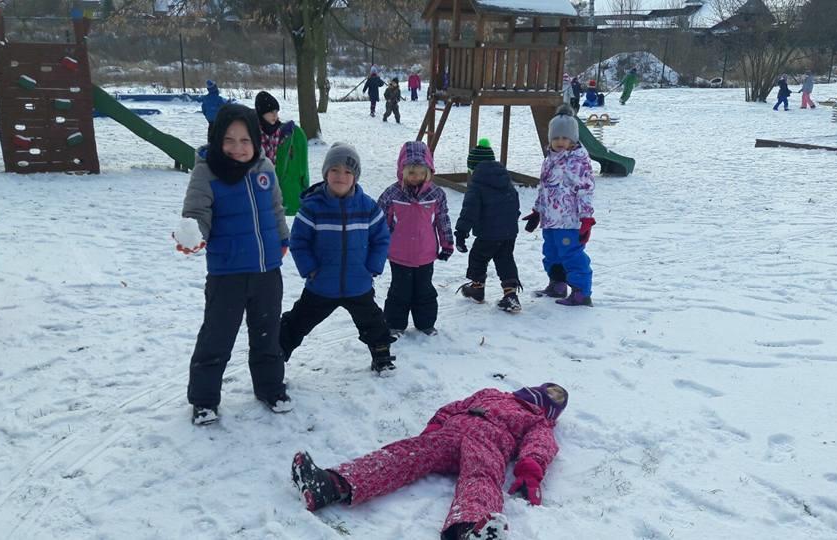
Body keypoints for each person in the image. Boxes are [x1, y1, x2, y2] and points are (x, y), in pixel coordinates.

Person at [291, 382, 569, 540]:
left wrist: (529, 472)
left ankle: (469, 528)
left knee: (481, 479)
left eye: (557, 398)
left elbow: (540, 445)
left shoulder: (538, 421)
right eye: (552, 389)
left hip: (490, 443)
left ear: (552, 411)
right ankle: (332, 485)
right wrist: (436, 426)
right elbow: (455, 407)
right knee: (405, 454)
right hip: (453, 431)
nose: (551, 395)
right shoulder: (491, 393)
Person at [179, 104, 291, 425]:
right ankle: (204, 400)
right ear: (216, 140)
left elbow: (276, 209)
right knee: (217, 337)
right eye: (229, 140)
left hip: (267, 271)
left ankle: (270, 388)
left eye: (245, 140)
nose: (238, 148)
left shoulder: (264, 168)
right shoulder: (206, 172)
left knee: (268, 334)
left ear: (255, 140)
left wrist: (282, 239)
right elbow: (197, 214)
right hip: (227, 273)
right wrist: (193, 235)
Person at [279, 143, 397, 374]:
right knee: (297, 322)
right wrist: (310, 269)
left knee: (374, 322)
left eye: (347, 171)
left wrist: (372, 266)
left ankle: (382, 355)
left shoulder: (368, 208)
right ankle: (276, 355)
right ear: (325, 173)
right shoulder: (312, 208)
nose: (340, 176)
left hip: (358, 283)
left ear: (355, 176)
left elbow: (381, 238)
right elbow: (299, 242)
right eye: (334, 170)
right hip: (321, 284)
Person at [376, 141, 453, 337]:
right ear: (402, 171)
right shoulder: (392, 194)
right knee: (399, 291)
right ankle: (394, 324)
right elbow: (380, 222)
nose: (416, 178)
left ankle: (425, 323)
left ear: (428, 172)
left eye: (421, 173)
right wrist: (378, 247)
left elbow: (442, 219)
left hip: (425, 254)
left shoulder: (436, 194)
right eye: (411, 173)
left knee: (424, 291)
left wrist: (447, 244)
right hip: (399, 254)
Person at [523, 105, 595, 306]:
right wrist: (537, 211)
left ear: (573, 140)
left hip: (570, 221)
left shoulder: (578, 161)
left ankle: (581, 292)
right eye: (556, 138)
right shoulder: (549, 160)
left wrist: (586, 218)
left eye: (565, 138)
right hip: (550, 219)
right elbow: (544, 188)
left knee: (572, 255)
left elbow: (585, 190)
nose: (560, 142)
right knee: (551, 253)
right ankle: (557, 285)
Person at [454, 139, 522, 313]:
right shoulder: (505, 180)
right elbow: (514, 202)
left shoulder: (476, 185)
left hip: (488, 233)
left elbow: (469, 211)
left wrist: (461, 232)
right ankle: (510, 294)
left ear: (473, 167)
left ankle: (477, 288)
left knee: (478, 257)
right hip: (508, 232)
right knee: (505, 259)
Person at [255, 90, 309, 216]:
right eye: (271, 112)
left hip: (275, 177)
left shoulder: (278, 130)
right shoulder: (255, 131)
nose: (275, 115)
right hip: (259, 178)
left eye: (276, 112)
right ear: (261, 113)